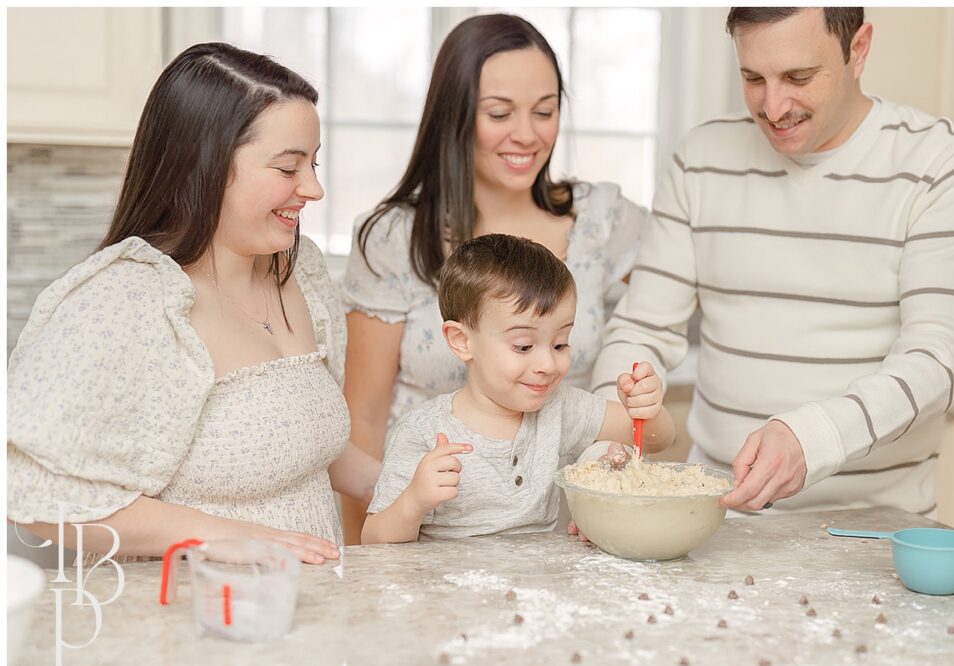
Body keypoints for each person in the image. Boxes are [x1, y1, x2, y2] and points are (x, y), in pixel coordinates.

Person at [588, 8, 954, 517]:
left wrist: (814, 437)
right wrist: (608, 445)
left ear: (859, 48)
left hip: (869, 532)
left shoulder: (941, 167)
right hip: (716, 522)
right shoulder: (703, 157)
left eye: (799, 77)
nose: (774, 106)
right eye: (752, 77)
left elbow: (940, 358)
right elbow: (641, 328)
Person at [7, 43, 381, 564]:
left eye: (313, 163)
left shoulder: (300, 268)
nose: (313, 188)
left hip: (308, 621)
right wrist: (218, 534)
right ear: (203, 165)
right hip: (188, 626)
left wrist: (407, 486)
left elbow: (298, 443)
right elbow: (33, 493)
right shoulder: (125, 300)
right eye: (287, 167)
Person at [340, 13, 649, 544]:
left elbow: (657, 327)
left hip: (560, 533)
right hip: (437, 533)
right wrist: (367, 562)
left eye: (545, 111)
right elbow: (363, 421)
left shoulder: (602, 218)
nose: (526, 135)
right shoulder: (394, 237)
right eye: (499, 113)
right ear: (455, 115)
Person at [361, 235, 673, 544]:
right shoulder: (423, 431)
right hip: (449, 592)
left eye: (560, 343)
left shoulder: (559, 407)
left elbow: (655, 439)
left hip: (537, 588)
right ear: (461, 340)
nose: (548, 364)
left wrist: (647, 409)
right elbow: (373, 540)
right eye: (523, 346)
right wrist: (414, 502)